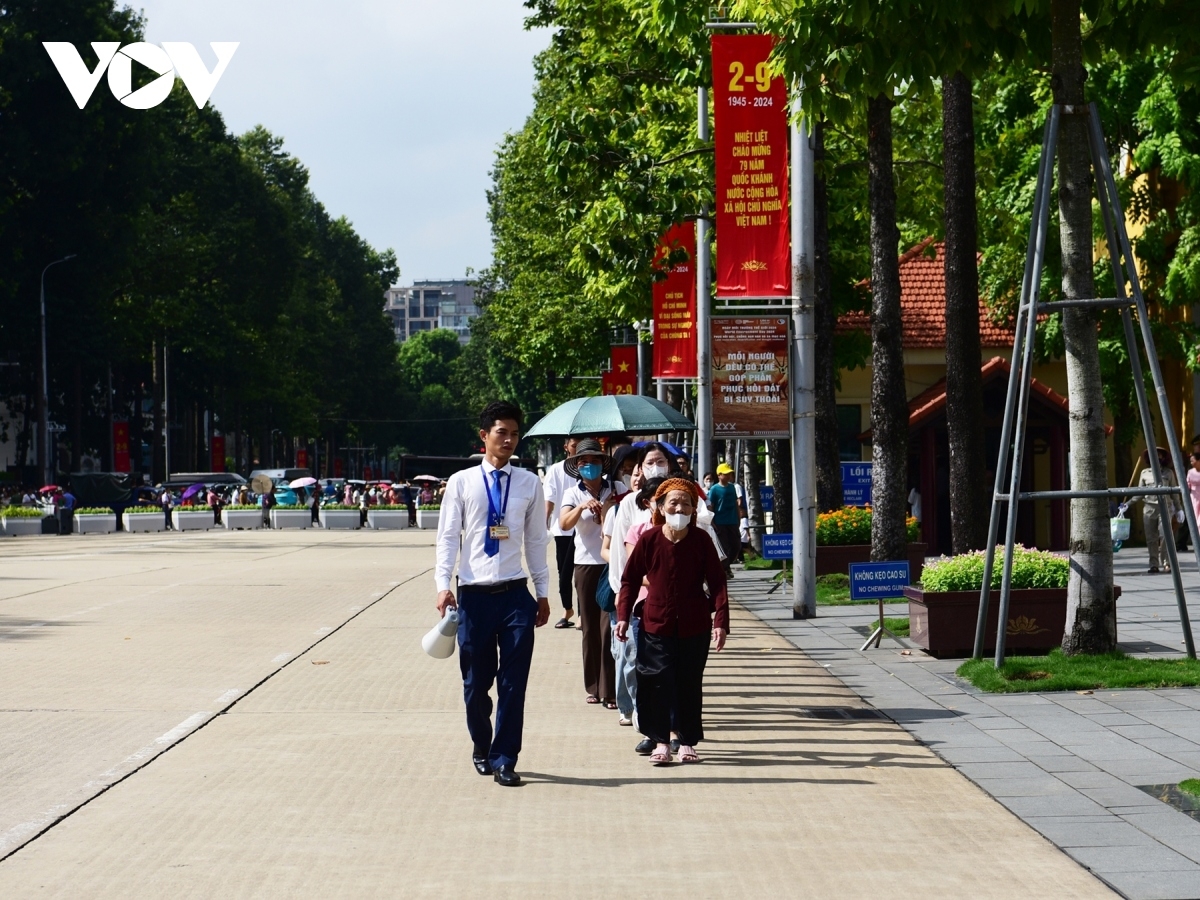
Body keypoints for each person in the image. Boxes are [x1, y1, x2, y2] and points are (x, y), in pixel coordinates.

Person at [434, 401, 550, 787]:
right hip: (474, 597)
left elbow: (536, 540)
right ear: (484, 436)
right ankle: (481, 744)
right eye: (502, 433)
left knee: (513, 685)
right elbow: (448, 537)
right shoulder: (462, 482)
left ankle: (505, 759)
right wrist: (442, 585)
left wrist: (543, 591)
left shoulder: (530, 483)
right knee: (475, 684)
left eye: (515, 434)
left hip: (516, 595)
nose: (509, 440)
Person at [616, 477, 728, 765]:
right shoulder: (649, 539)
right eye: (673, 502)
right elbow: (628, 580)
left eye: (686, 503)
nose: (680, 508)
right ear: (661, 507)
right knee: (656, 681)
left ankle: (687, 741)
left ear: (694, 509)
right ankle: (661, 740)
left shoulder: (701, 541)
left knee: (688, 683)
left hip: (695, 624)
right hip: (655, 623)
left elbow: (717, 583)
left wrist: (720, 623)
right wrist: (623, 618)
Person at [559, 438, 625, 708]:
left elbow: (629, 515)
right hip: (585, 564)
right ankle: (593, 686)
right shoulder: (573, 493)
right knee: (589, 628)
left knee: (608, 626)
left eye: (595, 461)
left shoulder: (617, 488)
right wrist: (582, 507)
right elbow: (563, 523)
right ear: (577, 465)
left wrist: (608, 509)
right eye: (584, 462)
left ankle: (609, 690)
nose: (589, 466)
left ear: (603, 464)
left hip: (613, 562)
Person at [543, 437, 579, 628]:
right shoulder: (556, 469)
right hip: (563, 530)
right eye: (574, 445)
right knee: (564, 573)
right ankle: (568, 609)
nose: (577, 449)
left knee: (583, 573)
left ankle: (584, 613)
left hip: (584, 530)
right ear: (566, 447)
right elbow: (549, 499)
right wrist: (545, 522)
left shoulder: (588, 468)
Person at [1138, 447, 1179, 574]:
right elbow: (1139, 492)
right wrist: (1127, 503)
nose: (1156, 458)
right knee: (1151, 538)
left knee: (1165, 536)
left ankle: (1166, 563)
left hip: (1165, 508)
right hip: (1149, 509)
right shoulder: (1145, 473)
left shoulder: (1168, 473)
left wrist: (1179, 509)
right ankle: (1153, 564)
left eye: (1159, 455)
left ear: (1163, 458)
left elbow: (1175, 493)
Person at [707, 463, 745, 575]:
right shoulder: (714, 489)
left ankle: (726, 566)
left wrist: (739, 519)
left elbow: (735, 504)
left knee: (736, 545)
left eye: (729, 474)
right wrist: (712, 522)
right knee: (723, 546)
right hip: (720, 522)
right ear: (719, 475)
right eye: (726, 474)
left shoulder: (732, 487)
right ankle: (724, 569)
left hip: (733, 521)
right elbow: (711, 506)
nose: (728, 476)